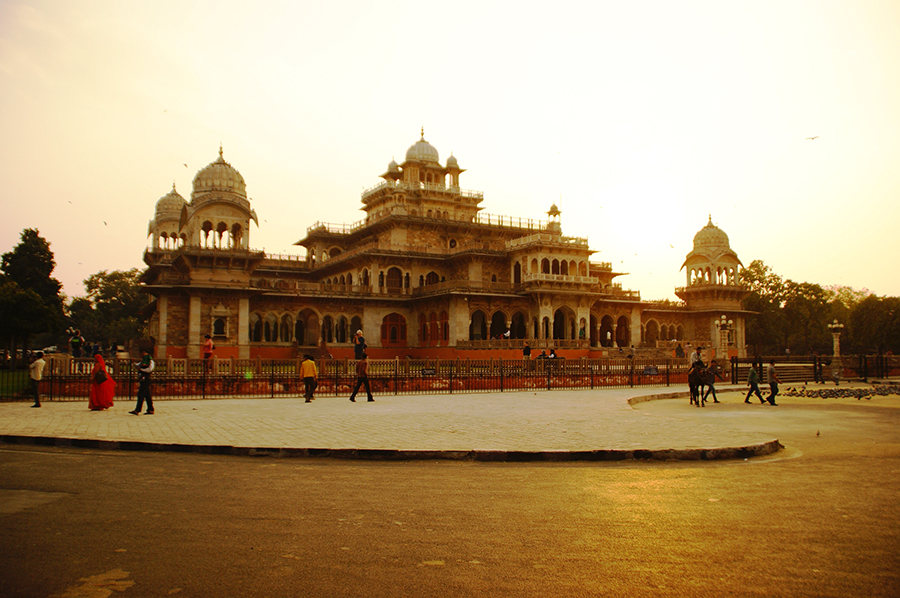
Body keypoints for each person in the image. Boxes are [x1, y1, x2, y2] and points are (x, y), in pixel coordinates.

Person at [129, 349, 155, 415]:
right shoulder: (142, 361)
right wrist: (133, 362)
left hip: (147, 378)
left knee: (141, 394)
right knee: (147, 395)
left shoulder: (150, 361)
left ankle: (137, 410)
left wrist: (141, 369)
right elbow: (136, 366)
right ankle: (150, 409)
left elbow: (149, 369)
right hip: (142, 378)